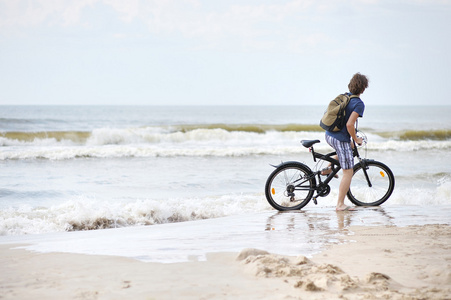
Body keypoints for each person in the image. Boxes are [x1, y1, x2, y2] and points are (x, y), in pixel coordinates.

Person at [322, 73, 369, 211]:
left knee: (348, 149)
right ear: (363, 88)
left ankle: (328, 167)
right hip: (339, 138)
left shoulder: (345, 96)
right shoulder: (358, 104)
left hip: (329, 134)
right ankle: (340, 204)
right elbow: (349, 125)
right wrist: (356, 139)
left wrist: (352, 141)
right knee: (348, 172)